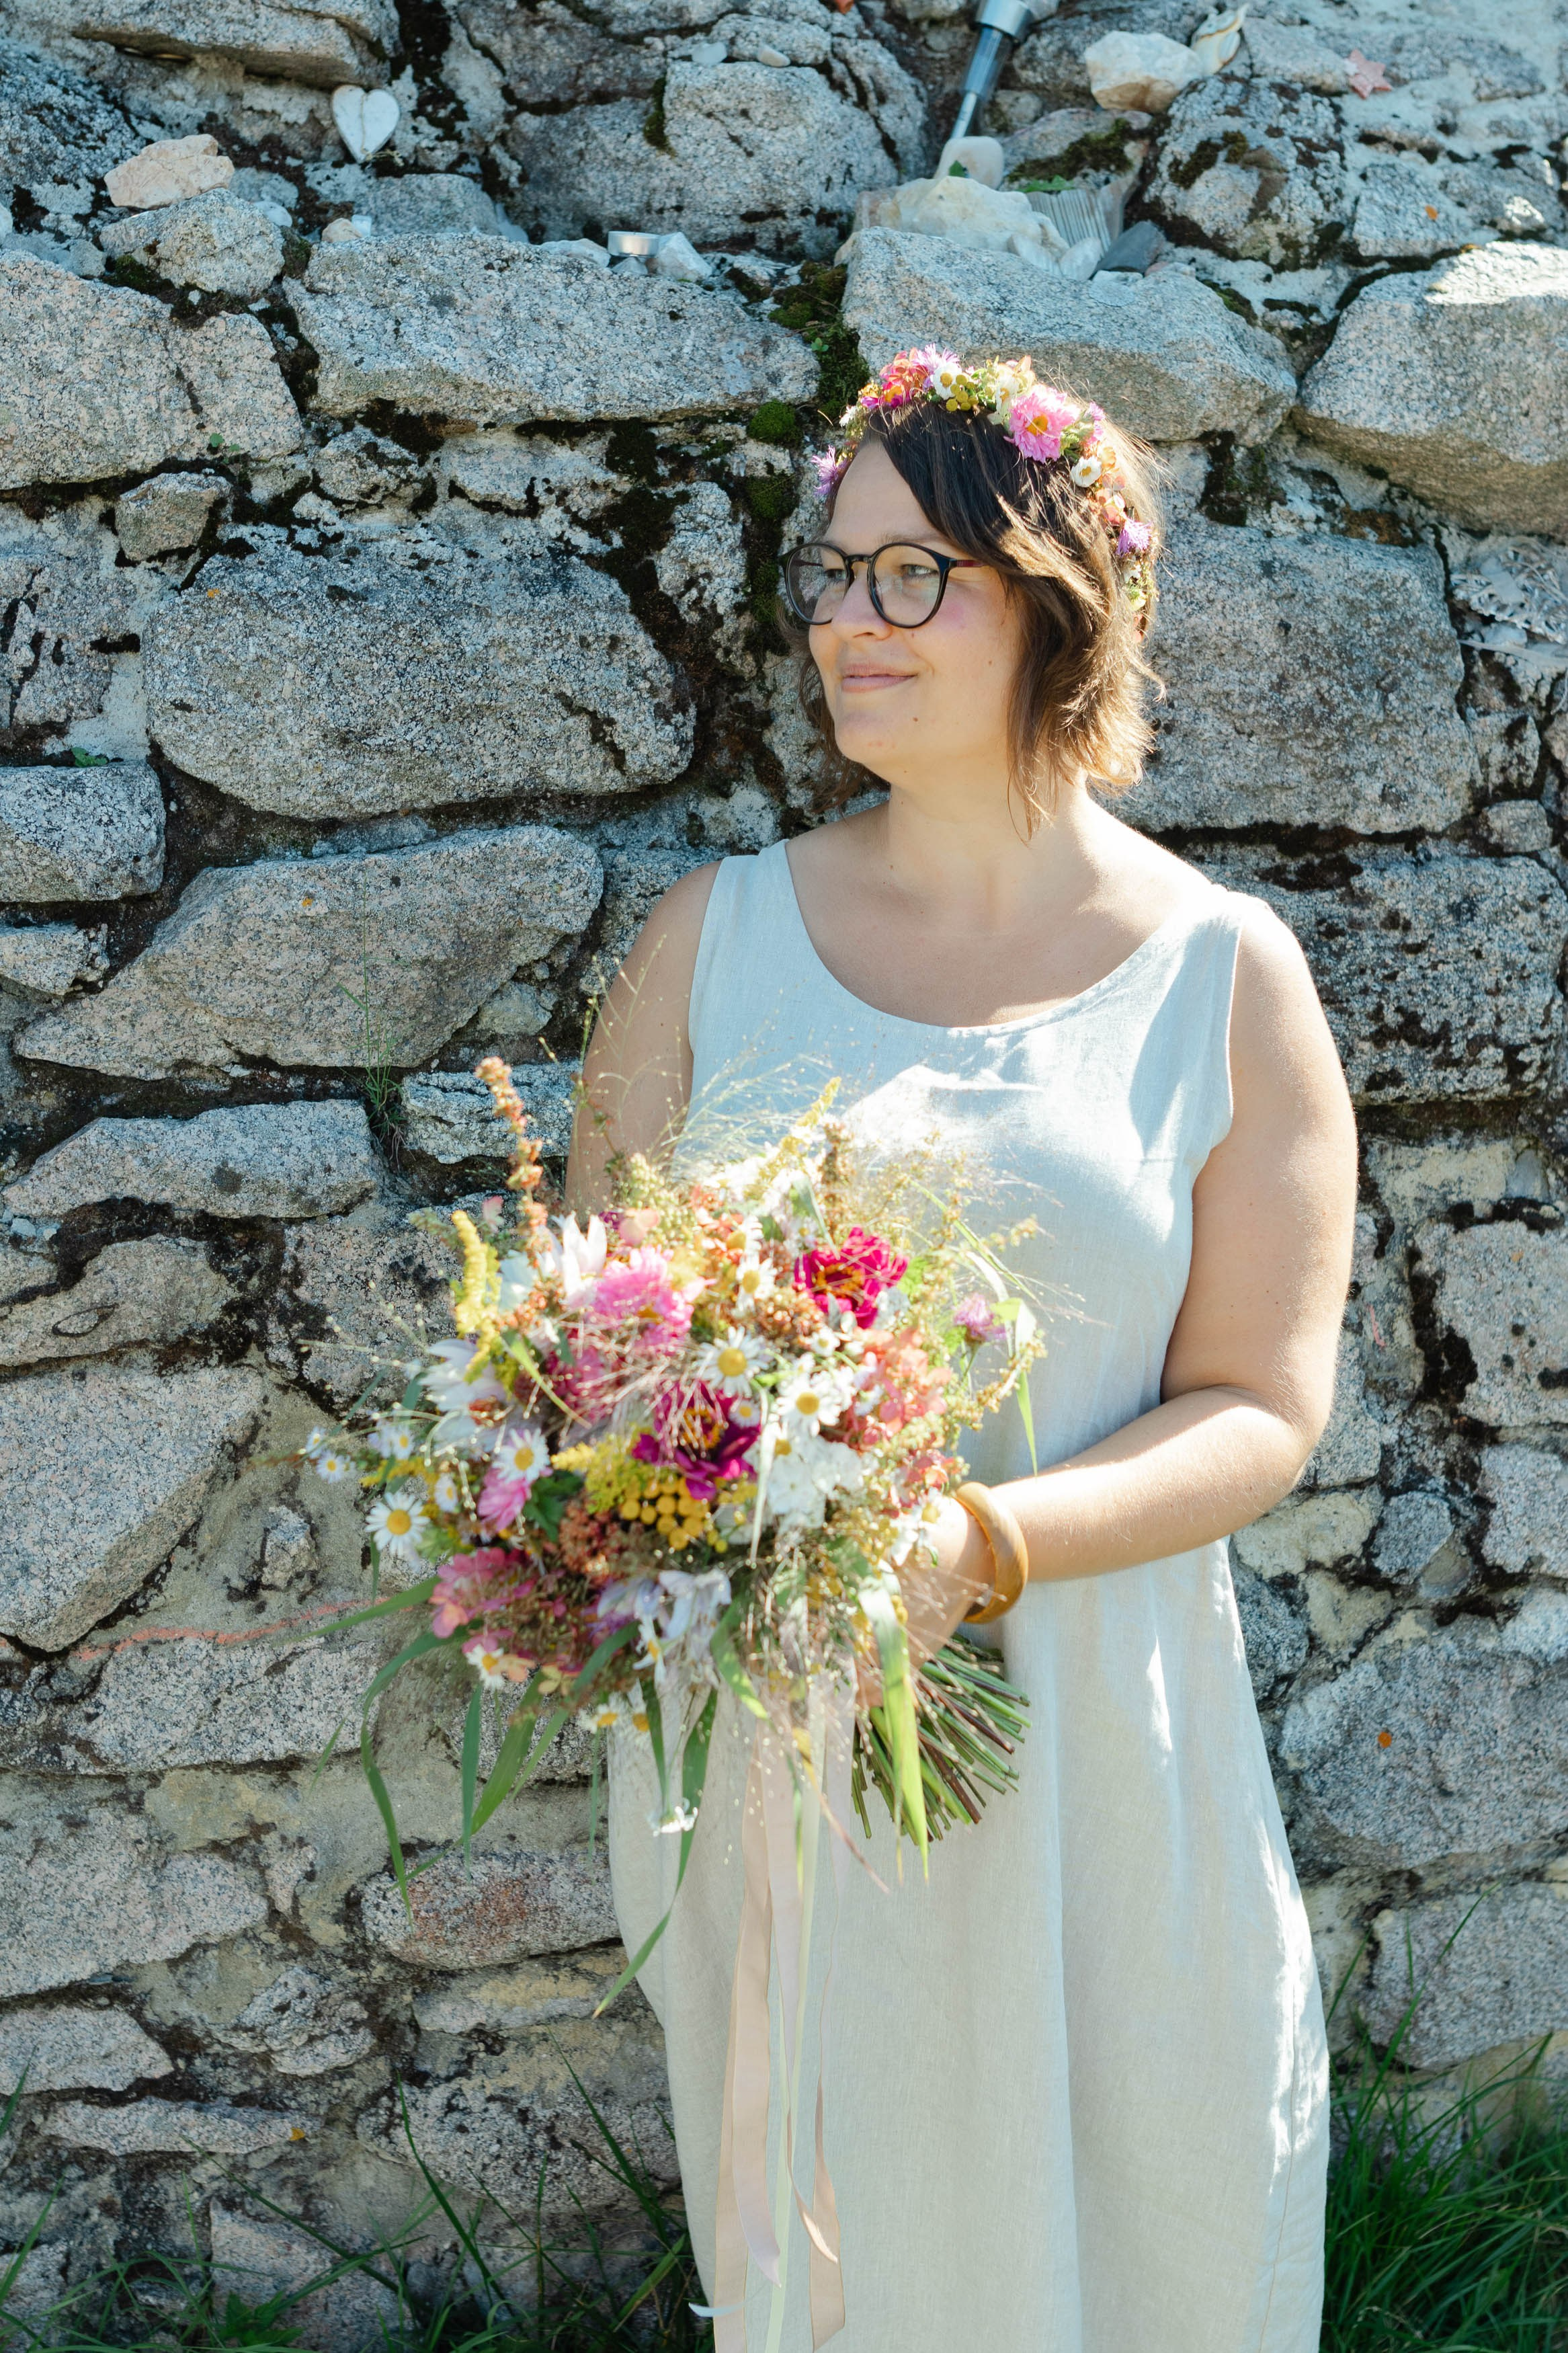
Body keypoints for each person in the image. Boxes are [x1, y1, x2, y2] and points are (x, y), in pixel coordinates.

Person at [567, 352, 1358, 2352]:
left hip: (1109, 1739)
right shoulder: (707, 947)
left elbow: (1266, 1400)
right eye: (833, 576)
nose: (845, 620)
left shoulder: (1223, 976)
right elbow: (595, 1343)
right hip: (805, 1760)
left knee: (1155, 2236)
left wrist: (976, 1542)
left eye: (911, 577)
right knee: (859, 2265)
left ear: (1057, 602)